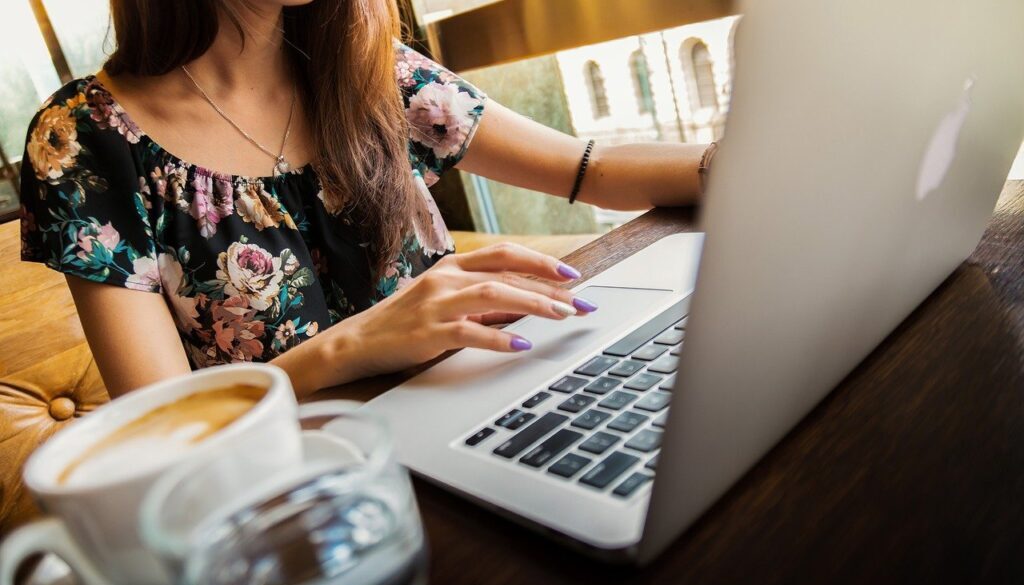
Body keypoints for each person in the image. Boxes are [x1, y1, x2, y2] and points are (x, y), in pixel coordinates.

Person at [19, 0, 711, 399]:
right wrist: (355, 345)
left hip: (474, 408)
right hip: (299, 503)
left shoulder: (366, 68)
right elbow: (166, 426)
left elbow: (589, 168)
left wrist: (736, 162)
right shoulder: (84, 140)